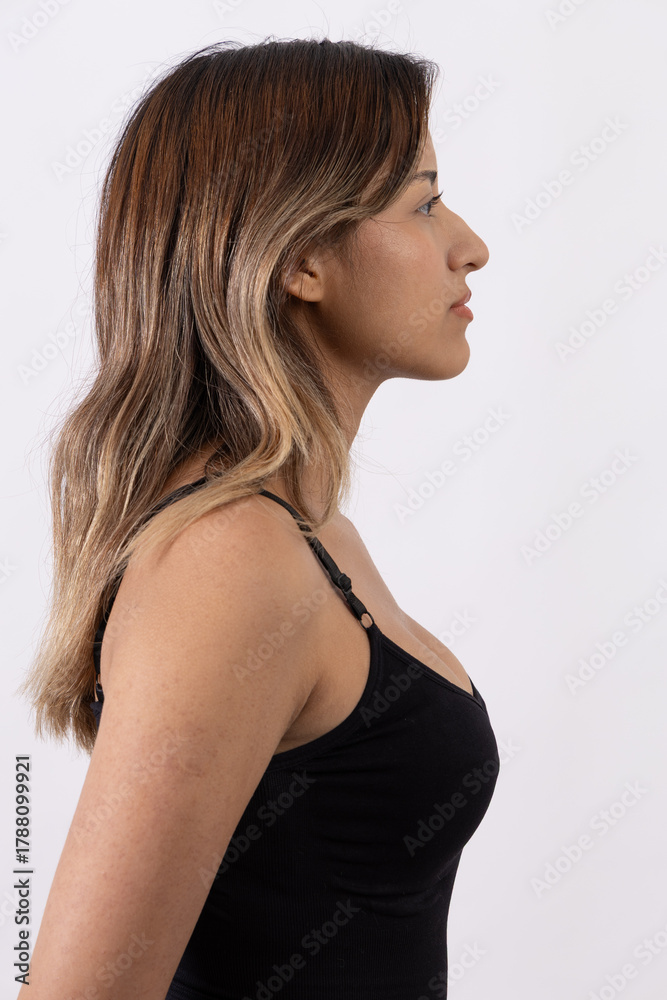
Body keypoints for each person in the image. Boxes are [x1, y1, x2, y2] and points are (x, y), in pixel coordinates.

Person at [16, 37, 497, 999]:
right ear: (301, 259)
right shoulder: (229, 557)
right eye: (423, 202)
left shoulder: (309, 533)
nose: (469, 245)